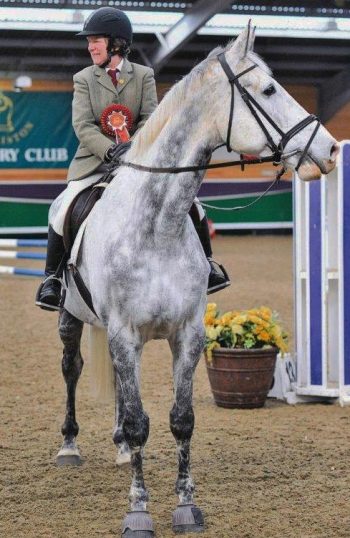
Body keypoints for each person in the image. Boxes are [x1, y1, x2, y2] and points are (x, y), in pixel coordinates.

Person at [35, 6, 230, 312]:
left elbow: (151, 117)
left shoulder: (143, 76)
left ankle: (207, 266)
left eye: (95, 40)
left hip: (139, 161)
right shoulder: (84, 78)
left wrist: (134, 145)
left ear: (117, 43)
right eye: (89, 42)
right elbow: (82, 125)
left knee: (192, 204)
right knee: (62, 208)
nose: (90, 46)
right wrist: (108, 149)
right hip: (94, 162)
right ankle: (52, 279)